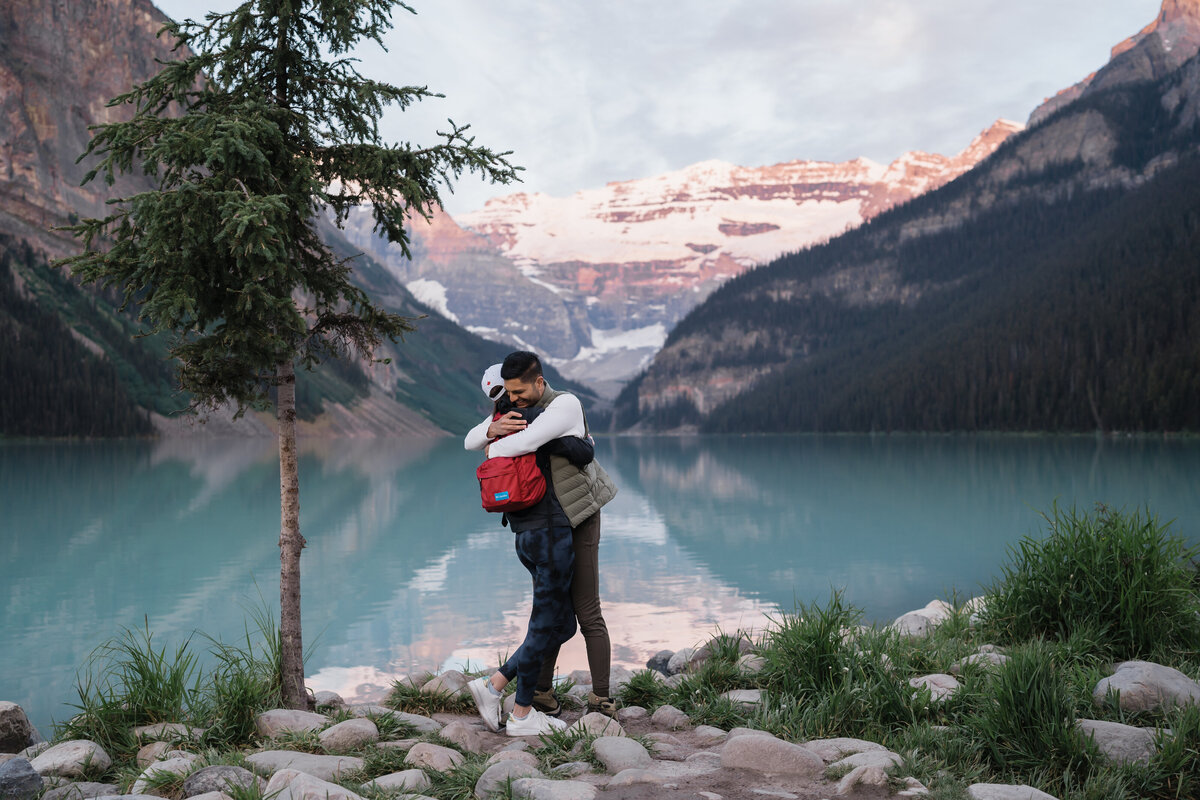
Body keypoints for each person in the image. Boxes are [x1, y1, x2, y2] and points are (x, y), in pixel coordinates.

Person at [464, 352, 617, 734]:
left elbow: (527, 442)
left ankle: (600, 699)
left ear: (538, 382)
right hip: (549, 524)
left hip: (579, 515)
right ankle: (537, 697)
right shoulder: (513, 408)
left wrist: (497, 441)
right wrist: (491, 430)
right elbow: (471, 440)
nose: (513, 399)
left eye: (519, 392)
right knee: (550, 614)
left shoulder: (564, 404)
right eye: (508, 393)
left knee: (585, 609)